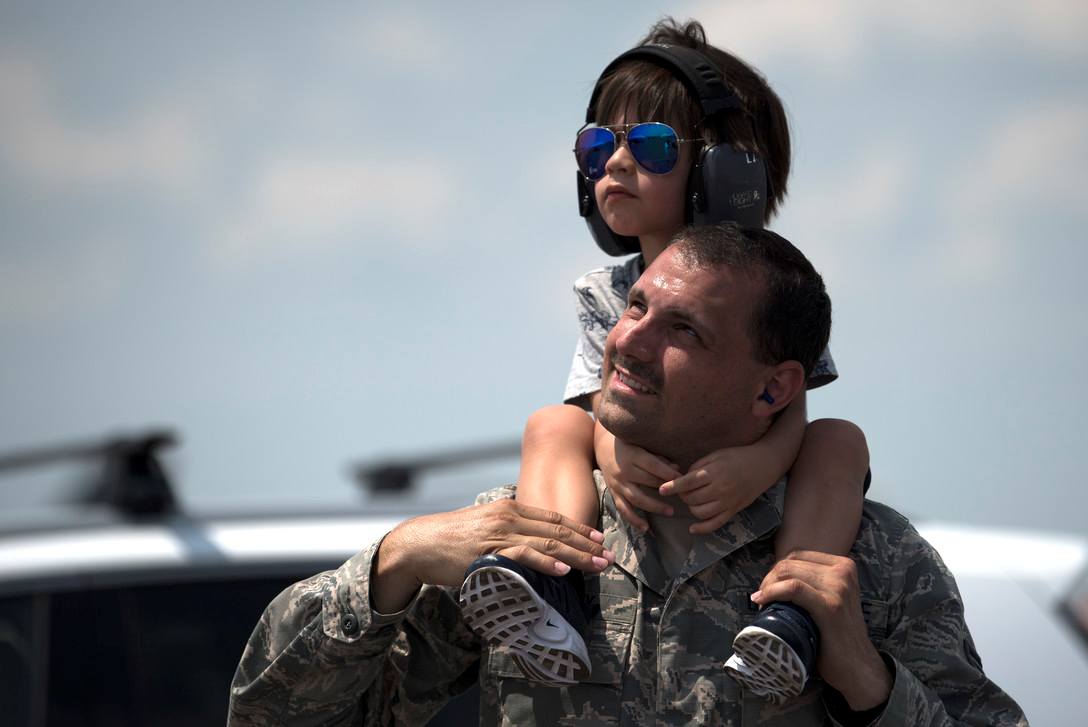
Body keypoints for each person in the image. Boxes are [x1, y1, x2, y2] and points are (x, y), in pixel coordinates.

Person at [229, 222, 1028, 726]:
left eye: (684, 329)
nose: (628, 342)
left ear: (774, 390)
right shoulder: (518, 543)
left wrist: (870, 683)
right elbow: (270, 715)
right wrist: (393, 562)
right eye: (636, 307)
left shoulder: (868, 561)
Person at [460, 17, 869, 701]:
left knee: (840, 440)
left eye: (649, 146)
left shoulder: (772, 290)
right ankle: (548, 583)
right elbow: (597, 401)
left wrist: (761, 463)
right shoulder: (603, 290)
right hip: (636, 471)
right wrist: (614, 453)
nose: (615, 164)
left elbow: (791, 402)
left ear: (725, 173)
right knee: (552, 424)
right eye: (598, 145)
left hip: (746, 465)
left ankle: (794, 614)